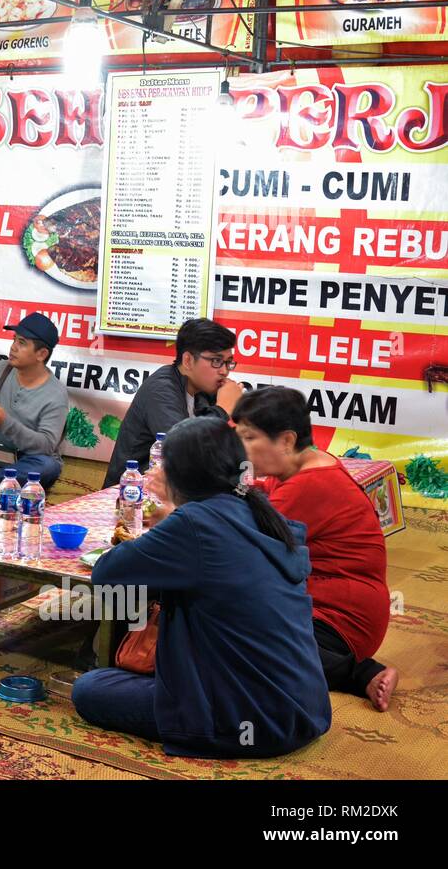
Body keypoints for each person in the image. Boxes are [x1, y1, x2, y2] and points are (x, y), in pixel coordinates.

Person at [72, 416, 331, 758]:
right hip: (306, 709)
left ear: (180, 474)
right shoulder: (261, 511)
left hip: (251, 722)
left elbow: (107, 574)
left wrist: (173, 514)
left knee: (89, 689)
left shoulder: (195, 522)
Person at [231, 386, 397, 711]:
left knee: (235, 631)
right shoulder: (309, 465)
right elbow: (255, 495)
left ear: (287, 440)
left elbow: (234, 545)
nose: (241, 448)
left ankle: (360, 674)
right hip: (341, 606)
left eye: (250, 438)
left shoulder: (308, 485)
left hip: (340, 621)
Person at [103, 317, 243, 488]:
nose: (224, 371)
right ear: (188, 361)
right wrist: (223, 409)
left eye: (228, 362)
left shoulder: (204, 390)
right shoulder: (160, 388)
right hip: (130, 495)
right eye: (216, 361)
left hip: (175, 492)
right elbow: (184, 450)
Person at [0, 312, 68, 514]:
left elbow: (45, 445)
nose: (13, 347)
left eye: (22, 342)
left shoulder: (55, 394)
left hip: (27, 458)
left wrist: (5, 422)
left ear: (41, 354)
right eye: (14, 340)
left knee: (46, 466)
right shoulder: (0, 369)